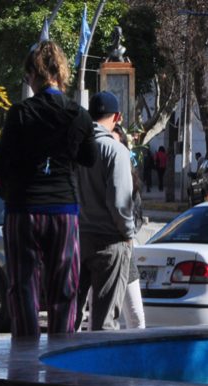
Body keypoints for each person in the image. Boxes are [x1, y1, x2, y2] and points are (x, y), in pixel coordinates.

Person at [0, 40, 96, 337]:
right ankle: (61, 360)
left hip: (23, 212)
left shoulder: (20, 114)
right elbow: (90, 157)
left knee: (23, 289)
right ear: (60, 74)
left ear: (33, 74)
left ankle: (26, 363)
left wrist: (8, 194)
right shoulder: (78, 115)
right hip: (64, 211)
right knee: (65, 290)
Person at [76, 91, 135, 331]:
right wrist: (128, 234)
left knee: (70, 319)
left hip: (78, 240)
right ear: (117, 117)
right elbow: (120, 203)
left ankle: (62, 367)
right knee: (104, 323)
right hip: (110, 243)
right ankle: (96, 369)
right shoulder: (116, 151)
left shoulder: (75, 149)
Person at [112, 124, 146, 329]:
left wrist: (127, 232)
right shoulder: (96, 175)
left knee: (136, 318)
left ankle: (138, 360)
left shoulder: (132, 180)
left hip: (126, 255)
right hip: (101, 253)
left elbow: (138, 216)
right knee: (101, 321)